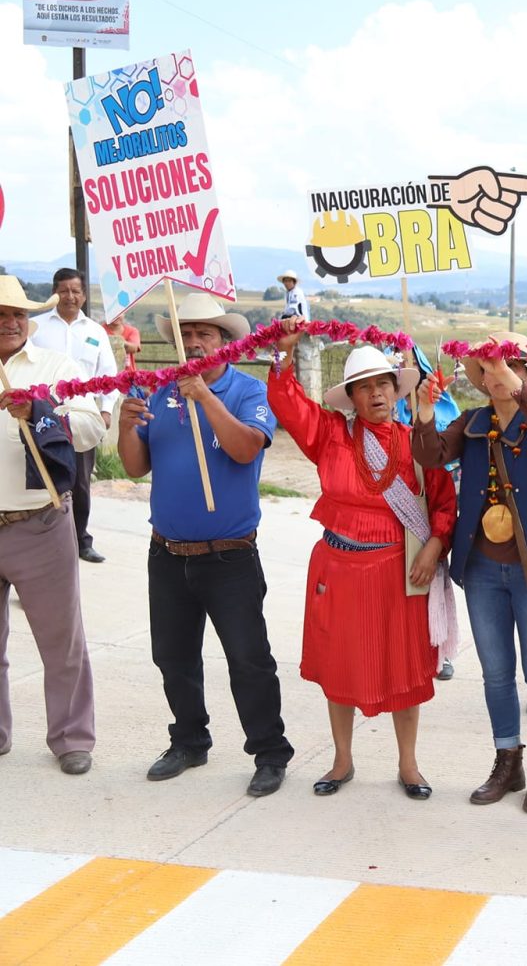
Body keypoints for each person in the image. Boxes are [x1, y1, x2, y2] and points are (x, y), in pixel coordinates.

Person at [268, 324, 457, 800]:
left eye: (382, 384)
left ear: (397, 390)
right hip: (337, 569)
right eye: (364, 387)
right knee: (339, 665)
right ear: (349, 397)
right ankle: (342, 760)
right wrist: (283, 359)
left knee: (406, 669)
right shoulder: (330, 434)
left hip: (400, 570)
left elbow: (442, 502)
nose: (375, 393)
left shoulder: (417, 440)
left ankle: (409, 765)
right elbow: (290, 406)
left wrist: (434, 548)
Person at [116, 294, 293, 797]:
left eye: (205, 333)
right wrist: (126, 426)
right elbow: (134, 467)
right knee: (173, 657)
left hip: (230, 555)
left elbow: (244, 449)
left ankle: (269, 751)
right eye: (186, 332)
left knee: (248, 658)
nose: (193, 341)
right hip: (167, 552)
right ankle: (190, 740)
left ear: (225, 343)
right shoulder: (156, 392)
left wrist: (206, 399)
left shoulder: (247, 390)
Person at [413, 332, 527, 812]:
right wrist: (425, 412)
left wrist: (514, 383)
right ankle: (507, 761)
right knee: (495, 674)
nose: (495, 377)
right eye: (487, 369)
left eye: (507, 368)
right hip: (484, 569)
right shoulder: (472, 423)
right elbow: (429, 456)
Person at [0, 276, 102, 774]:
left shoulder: (57, 367)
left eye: (18, 314)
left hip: (40, 520)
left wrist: (40, 411)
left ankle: (71, 737)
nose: (11, 323)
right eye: (0, 314)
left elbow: (90, 429)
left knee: (62, 641)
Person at [29, 268, 116, 563]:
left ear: (84, 295)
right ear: (54, 292)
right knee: (41, 478)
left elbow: (109, 375)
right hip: (41, 415)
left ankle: (81, 540)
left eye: (76, 291)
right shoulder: (35, 328)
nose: (70, 296)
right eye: (64, 290)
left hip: (80, 417)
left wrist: (105, 411)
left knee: (79, 482)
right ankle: (39, 546)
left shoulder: (95, 332)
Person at [276, 271, 321, 402]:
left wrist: (283, 318)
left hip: (298, 320)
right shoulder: (289, 293)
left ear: (293, 282)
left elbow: (292, 309)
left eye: (289, 281)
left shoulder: (296, 293)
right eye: (285, 281)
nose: (286, 283)